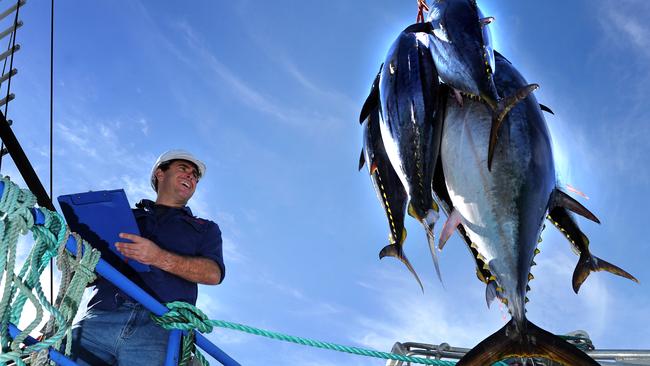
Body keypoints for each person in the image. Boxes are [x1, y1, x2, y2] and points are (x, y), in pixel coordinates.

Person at [71, 149, 225, 366]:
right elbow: (85, 270)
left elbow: (213, 273)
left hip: (159, 329)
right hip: (101, 316)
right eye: (183, 169)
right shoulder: (124, 217)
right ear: (160, 174)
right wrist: (76, 248)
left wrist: (158, 257)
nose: (191, 176)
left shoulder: (205, 229)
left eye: (195, 176)